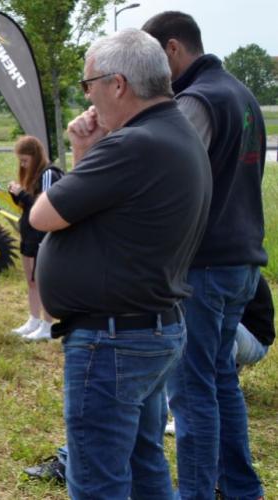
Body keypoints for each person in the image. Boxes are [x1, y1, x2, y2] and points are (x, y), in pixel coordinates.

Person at [29, 30, 212, 498]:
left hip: (114, 340)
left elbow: (43, 213)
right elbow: (96, 208)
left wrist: (85, 152)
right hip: (151, 327)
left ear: (117, 84)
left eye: (89, 83)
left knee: (98, 481)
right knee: (143, 460)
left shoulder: (132, 145)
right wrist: (88, 151)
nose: (86, 94)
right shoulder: (174, 132)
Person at [142, 12, 270, 499]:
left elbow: (169, 181)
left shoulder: (196, 101)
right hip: (242, 263)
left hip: (204, 265)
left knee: (191, 392)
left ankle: (198, 492)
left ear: (172, 50)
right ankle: (240, 489)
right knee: (219, 382)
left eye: (153, 59)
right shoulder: (240, 93)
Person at [24, 280, 274, 485]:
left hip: (249, 336)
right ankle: (75, 458)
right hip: (185, 327)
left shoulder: (204, 259)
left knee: (187, 342)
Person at [7, 136, 62, 341]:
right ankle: (34, 319)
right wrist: (17, 194)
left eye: (25, 161)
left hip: (43, 235)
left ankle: (48, 324)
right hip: (28, 233)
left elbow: (45, 205)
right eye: (20, 161)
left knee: (42, 281)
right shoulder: (32, 176)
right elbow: (28, 206)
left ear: (35, 157)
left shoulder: (49, 174)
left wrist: (22, 194)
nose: (22, 165)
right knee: (31, 280)